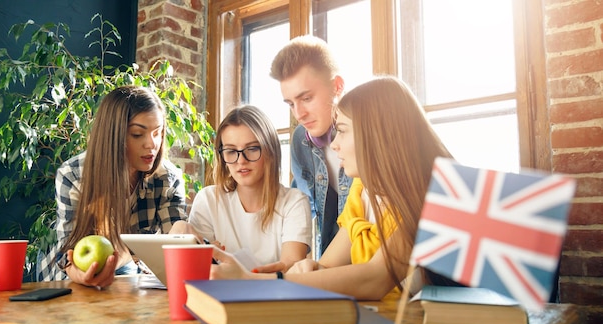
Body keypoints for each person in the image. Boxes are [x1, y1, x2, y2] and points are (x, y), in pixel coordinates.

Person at [210, 76, 454, 300]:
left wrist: (251, 280)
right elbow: (327, 264)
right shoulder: (361, 191)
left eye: (343, 132)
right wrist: (311, 269)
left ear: (377, 136)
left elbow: (375, 279)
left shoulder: (428, 196)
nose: (334, 145)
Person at [37, 86, 197, 288]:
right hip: (67, 273)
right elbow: (66, 249)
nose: (152, 144)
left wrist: (183, 233)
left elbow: (173, 241)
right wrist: (79, 274)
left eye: (158, 133)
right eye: (138, 134)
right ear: (113, 135)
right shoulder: (74, 174)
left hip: (126, 268)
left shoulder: (167, 178)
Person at [188, 105, 311, 270]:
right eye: (231, 151)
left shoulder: (294, 202)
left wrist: (247, 275)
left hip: (276, 295)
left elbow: (292, 268)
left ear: (270, 151)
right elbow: (198, 270)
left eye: (252, 149)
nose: (241, 160)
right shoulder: (208, 200)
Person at [270, 35, 352, 259]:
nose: (298, 114)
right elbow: (302, 209)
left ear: (337, 86)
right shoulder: (300, 140)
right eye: (290, 103)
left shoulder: (371, 134)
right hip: (332, 266)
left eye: (306, 98)